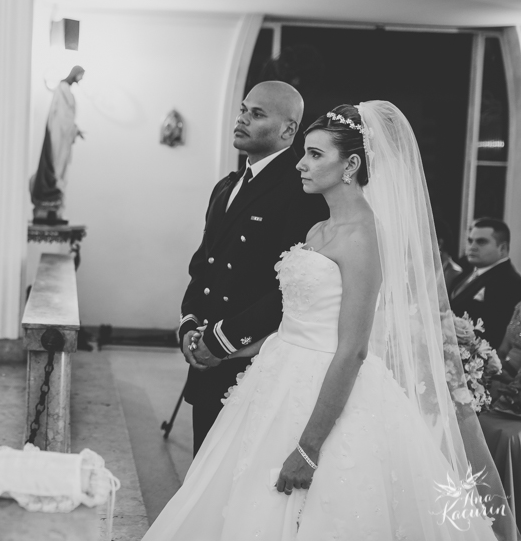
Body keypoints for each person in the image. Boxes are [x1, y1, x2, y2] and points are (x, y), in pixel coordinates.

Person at [147, 102, 516, 540]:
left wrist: (309, 446)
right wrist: (234, 349)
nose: (301, 164)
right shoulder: (318, 230)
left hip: (329, 388)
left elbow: (354, 347)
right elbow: (299, 322)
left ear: (351, 165)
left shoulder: (364, 236)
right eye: (304, 152)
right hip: (274, 377)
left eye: (316, 154)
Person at [178, 81, 327, 453]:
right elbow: (204, 266)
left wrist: (221, 341)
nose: (242, 119)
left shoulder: (301, 193)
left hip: (252, 360)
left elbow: (291, 288)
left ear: (288, 130)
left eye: (257, 114)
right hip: (206, 357)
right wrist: (190, 325)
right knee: (201, 472)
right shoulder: (225, 187)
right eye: (244, 109)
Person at [450, 218, 521, 351]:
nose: (472, 246)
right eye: (470, 240)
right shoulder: (465, 271)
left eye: (481, 241)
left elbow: (496, 333)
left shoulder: (510, 283)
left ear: (503, 248)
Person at [29, 65, 85, 225]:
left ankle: (53, 207)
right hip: (58, 136)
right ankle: (48, 204)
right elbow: (62, 117)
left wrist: (74, 130)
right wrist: (71, 129)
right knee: (56, 167)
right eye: (81, 75)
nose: (81, 79)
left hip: (63, 135)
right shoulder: (63, 89)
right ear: (75, 74)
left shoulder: (65, 90)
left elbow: (67, 118)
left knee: (60, 170)